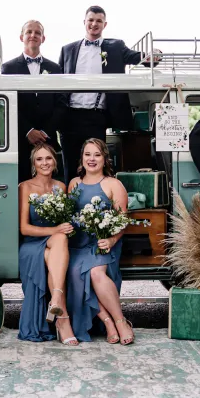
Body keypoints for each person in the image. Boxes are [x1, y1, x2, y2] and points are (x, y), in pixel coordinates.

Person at [57, 5, 159, 182]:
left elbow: (138, 57)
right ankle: (70, 205)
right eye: (91, 20)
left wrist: (154, 55)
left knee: (95, 164)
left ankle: (93, 206)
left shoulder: (115, 46)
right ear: (84, 22)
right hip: (70, 117)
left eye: (98, 21)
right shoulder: (68, 49)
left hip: (97, 117)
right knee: (70, 166)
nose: (94, 24)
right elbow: (58, 83)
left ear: (105, 24)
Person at [65, 138, 133, 345]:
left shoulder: (114, 184)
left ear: (105, 158)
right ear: (82, 158)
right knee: (76, 274)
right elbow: (70, 214)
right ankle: (108, 322)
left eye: (96, 154)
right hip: (77, 243)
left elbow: (122, 221)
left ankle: (120, 322)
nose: (91, 159)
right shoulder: (74, 183)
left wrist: (111, 240)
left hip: (102, 243)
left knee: (95, 272)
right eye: (87, 154)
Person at [17, 143, 78, 344]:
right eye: (39, 159)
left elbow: (65, 222)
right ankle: (62, 317)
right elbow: (24, 228)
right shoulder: (24, 187)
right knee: (57, 244)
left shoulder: (61, 187)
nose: (45, 163)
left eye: (48, 158)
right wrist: (56, 230)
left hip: (55, 242)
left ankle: (56, 303)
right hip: (33, 243)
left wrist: (64, 228)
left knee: (60, 240)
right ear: (34, 164)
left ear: (55, 161)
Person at [1, 20, 66, 182]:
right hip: (20, 142)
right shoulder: (8, 68)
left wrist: (45, 132)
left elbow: (61, 104)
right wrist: (28, 131)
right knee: (21, 186)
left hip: (48, 141)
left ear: (43, 38)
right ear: (21, 37)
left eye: (38, 33)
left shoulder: (55, 68)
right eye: (29, 32)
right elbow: (7, 105)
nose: (33, 35)